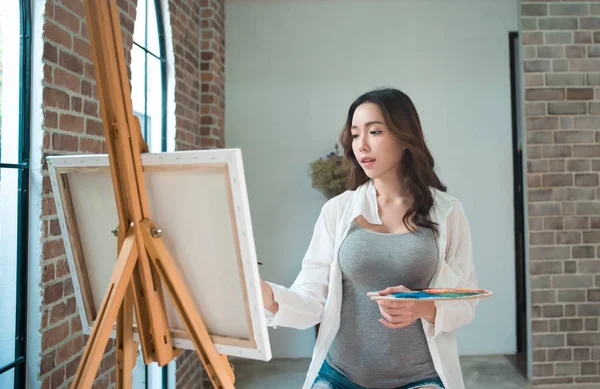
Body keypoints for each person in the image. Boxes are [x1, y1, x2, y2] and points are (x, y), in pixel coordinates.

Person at [260, 88, 479, 389]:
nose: (361, 145)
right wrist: (267, 296)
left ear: (404, 137)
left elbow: (466, 302)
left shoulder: (447, 212)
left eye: (375, 132)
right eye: (354, 134)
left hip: (421, 378)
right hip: (339, 376)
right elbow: (313, 300)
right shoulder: (337, 211)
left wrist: (420, 306)